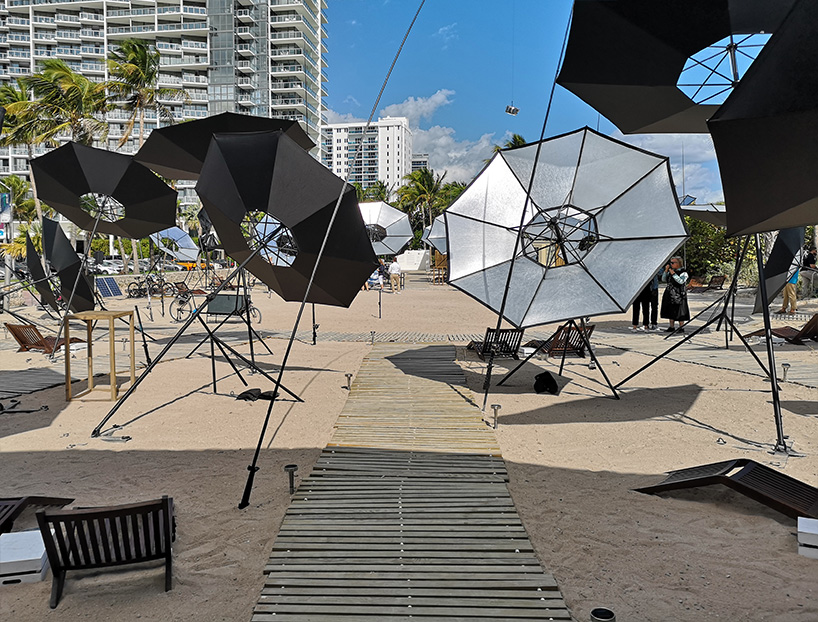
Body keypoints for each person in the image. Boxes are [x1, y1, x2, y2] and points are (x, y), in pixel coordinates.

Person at [660, 256, 690, 332]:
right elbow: (663, 279)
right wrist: (666, 271)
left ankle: (681, 327)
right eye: (671, 263)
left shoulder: (684, 272)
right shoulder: (671, 271)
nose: (671, 264)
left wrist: (674, 274)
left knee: (680, 310)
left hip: (679, 293)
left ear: (679, 263)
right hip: (670, 292)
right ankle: (671, 326)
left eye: (673, 263)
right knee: (670, 309)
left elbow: (680, 281)